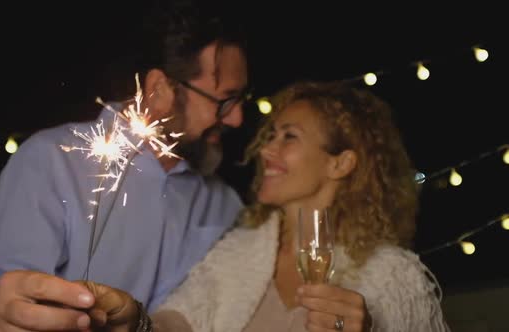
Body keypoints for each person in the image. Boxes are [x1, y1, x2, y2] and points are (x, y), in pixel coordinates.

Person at [0, 1, 252, 331]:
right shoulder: (49, 162)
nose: (237, 118)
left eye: (242, 99)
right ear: (159, 90)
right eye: (225, 100)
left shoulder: (225, 206)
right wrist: (5, 320)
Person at [76, 80, 451, 331]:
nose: (267, 150)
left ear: (341, 163)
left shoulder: (397, 278)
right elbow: (180, 324)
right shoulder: (235, 254)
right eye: (271, 135)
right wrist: (134, 320)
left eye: (289, 137)